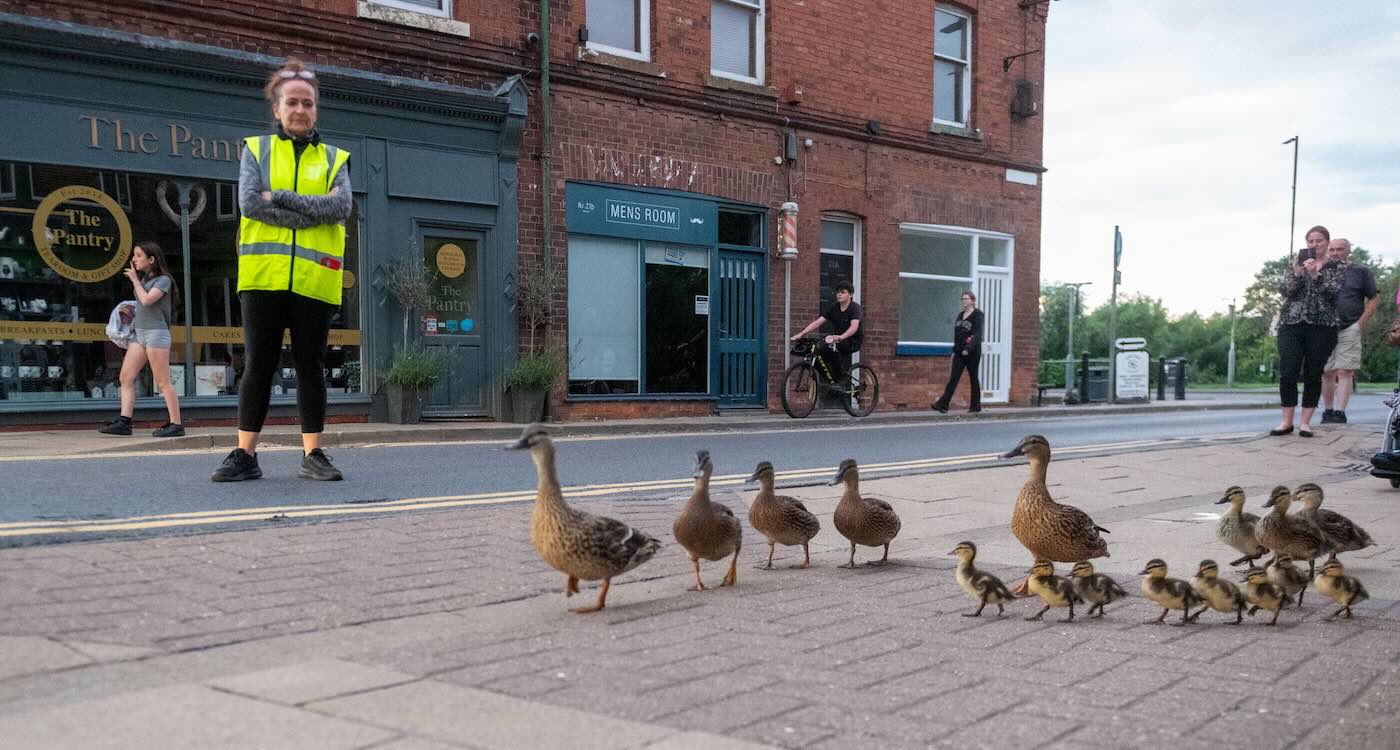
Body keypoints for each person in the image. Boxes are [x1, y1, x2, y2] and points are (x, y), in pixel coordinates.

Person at [211, 58, 351, 482]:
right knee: (258, 365)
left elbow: (341, 206)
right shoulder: (255, 150)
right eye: (292, 102)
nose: (301, 110)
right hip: (263, 278)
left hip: (315, 280)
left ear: (316, 109)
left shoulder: (334, 158)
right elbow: (251, 203)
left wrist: (283, 198)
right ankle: (244, 455)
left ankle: (313, 454)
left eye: (308, 103)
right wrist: (311, 213)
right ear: (277, 108)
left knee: (311, 366)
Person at [99, 241, 184, 437]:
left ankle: (176, 424)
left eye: (138, 256)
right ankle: (124, 421)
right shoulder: (146, 281)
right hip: (140, 333)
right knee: (125, 377)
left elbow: (147, 300)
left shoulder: (164, 280)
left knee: (162, 381)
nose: (134, 259)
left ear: (151, 259)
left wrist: (135, 281)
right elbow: (142, 306)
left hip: (156, 333)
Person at [1271, 225, 1343, 438]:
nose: (1314, 245)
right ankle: (1286, 421)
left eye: (1318, 241)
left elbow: (1333, 293)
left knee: (1313, 373)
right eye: (1310, 241)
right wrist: (1297, 272)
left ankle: (1305, 422)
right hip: (1292, 323)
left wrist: (1316, 275)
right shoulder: (1296, 264)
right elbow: (1286, 291)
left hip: (1322, 326)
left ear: (1327, 243)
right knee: (1288, 371)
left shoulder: (1335, 267)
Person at [1320, 238, 1376, 424]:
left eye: (1340, 249)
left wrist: (1360, 323)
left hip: (1349, 326)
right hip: (1325, 327)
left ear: (1348, 251)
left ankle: (1339, 412)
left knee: (1345, 371)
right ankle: (1328, 411)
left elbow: (1374, 298)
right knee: (1327, 371)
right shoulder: (1323, 270)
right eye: (1332, 249)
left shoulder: (1361, 271)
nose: (1336, 253)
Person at [791, 280, 862, 386]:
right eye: (838, 292)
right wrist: (801, 334)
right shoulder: (834, 308)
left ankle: (841, 380)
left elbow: (854, 327)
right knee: (818, 352)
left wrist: (841, 337)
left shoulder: (855, 308)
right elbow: (817, 323)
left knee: (833, 348)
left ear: (850, 294)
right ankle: (832, 381)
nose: (839, 294)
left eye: (843, 292)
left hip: (852, 341)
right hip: (836, 339)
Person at [932, 290, 983, 413]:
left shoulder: (978, 315)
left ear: (972, 301)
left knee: (973, 378)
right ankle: (943, 405)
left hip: (972, 352)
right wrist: (956, 349)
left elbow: (977, 334)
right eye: (962, 299)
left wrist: (968, 348)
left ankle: (975, 406)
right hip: (959, 352)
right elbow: (958, 334)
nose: (964, 301)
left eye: (966, 299)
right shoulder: (960, 315)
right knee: (953, 378)